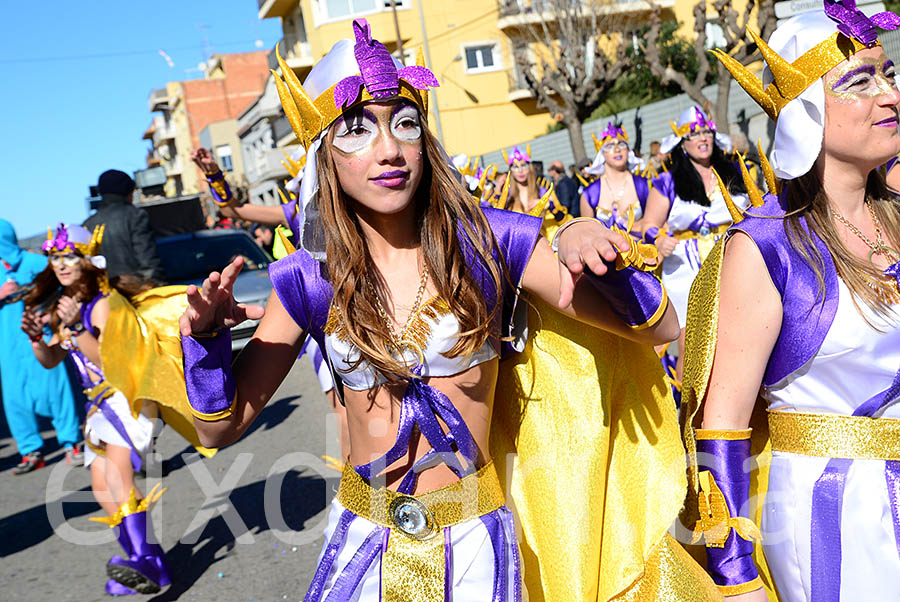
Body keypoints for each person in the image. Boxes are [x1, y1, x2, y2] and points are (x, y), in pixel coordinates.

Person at [178, 19, 718, 601]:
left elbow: (659, 327)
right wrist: (205, 343)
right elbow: (220, 427)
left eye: (404, 124)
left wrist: (582, 241)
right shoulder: (307, 280)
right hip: (364, 542)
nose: (389, 149)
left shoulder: (491, 242)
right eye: (356, 130)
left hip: (476, 544)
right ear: (323, 156)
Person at [682, 4, 900, 599]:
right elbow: (720, 425)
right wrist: (736, 575)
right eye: (859, 81)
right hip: (828, 513)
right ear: (806, 113)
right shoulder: (768, 247)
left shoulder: (896, 216)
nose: (889, 96)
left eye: (889, 75)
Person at [23, 223, 213, 596]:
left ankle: (144, 559)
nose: (60, 265)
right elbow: (53, 359)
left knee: (118, 476)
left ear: (88, 260)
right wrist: (36, 339)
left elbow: (113, 364)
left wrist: (77, 327)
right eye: (54, 258)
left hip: (128, 399)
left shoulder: (104, 305)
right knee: (100, 486)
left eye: (68, 257)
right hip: (98, 405)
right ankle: (146, 559)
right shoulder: (68, 307)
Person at [642, 105, 749, 383]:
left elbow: (757, 210)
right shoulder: (668, 181)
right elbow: (647, 225)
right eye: (694, 134)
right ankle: (689, 416)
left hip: (734, 258)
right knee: (693, 345)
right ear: (682, 143)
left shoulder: (735, 171)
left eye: (706, 132)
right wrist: (660, 239)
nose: (702, 139)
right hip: (686, 268)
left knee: (741, 331)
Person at [0, 219, 83, 473]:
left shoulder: (37, 264)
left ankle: (72, 443)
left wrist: (51, 314)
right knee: (15, 398)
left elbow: (66, 288)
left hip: (43, 338)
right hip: (8, 348)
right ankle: (30, 451)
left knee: (57, 391)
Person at [83, 170, 165, 282]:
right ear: (128, 192)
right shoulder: (135, 216)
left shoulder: (87, 225)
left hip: (105, 295)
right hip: (136, 291)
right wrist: (156, 287)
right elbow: (148, 262)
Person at [580, 122, 653, 233]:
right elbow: (587, 234)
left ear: (628, 151)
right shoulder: (590, 194)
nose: (617, 149)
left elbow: (658, 223)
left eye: (622, 144)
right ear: (602, 153)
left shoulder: (644, 185)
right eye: (609, 146)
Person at [498, 145, 571, 239]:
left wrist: (550, 206)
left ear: (530, 167)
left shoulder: (543, 192)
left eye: (524, 165)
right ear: (510, 171)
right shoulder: (507, 197)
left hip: (545, 244)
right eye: (516, 167)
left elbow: (565, 221)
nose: (520, 170)